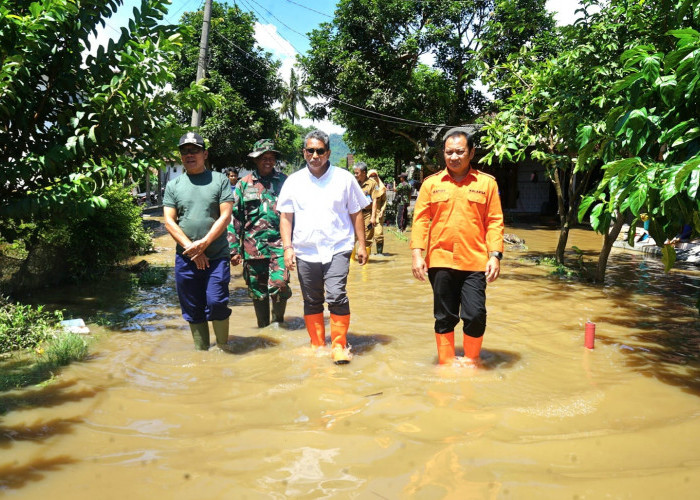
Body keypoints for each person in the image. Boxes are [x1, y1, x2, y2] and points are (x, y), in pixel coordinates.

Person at [410, 127, 504, 366]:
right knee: (444, 316)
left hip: (475, 262)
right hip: (440, 261)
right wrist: (417, 254)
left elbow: (494, 221)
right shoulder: (431, 184)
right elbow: (420, 219)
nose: (454, 157)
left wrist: (495, 255)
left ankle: (472, 361)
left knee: (475, 315)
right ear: (443, 153)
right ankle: (446, 363)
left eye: (460, 152)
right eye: (449, 152)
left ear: (471, 153)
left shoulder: (487, 184)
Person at [277, 130, 369, 364]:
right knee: (312, 299)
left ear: (328, 152)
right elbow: (286, 216)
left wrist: (362, 245)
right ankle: (317, 344)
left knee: (337, 295)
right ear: (304, 152)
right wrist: (288, 248)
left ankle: (339, 345)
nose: (315, 155)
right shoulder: (293, 181)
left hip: (338, 246)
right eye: (310, 150)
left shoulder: (344, 178)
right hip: (306, 249)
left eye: (320, 151)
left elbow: (356, 211)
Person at [163, 132, 234, 350]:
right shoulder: (174, 186)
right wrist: (193, 250)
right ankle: (201, 354)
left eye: (194, 150)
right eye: (185, 151)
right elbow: (168, 221)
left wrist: (202, 244)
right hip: (186, 258)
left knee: (216, 302)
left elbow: (225, 216)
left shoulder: (220, 180)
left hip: (217, 256)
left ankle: (223, 348)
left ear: (205, 154)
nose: (189, 155)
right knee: (192, 308)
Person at [228, 139, 291, 328]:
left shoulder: (284, 182)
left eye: (271, 157)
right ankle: (263, 328)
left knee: (280, 284)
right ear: (255, 160)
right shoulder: (243, 185)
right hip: (252, 247)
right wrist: (233, 249)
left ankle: (278, 324)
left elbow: (294, 213)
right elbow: (235, 218)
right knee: (258, 291)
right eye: (263, 157)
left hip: (280, 245)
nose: (268, 161)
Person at [352, 162, 378, 260]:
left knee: (367, 237)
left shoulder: (373, 183)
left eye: (357, 173)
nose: (355, 175)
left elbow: (375, 200)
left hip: (368, 213)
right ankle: (352, 261)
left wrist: (373, 217)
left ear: (364, 172)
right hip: (355, 213)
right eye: (354, 173)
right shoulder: (353, 182)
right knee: (352, 237)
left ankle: (365, 267)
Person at [368, 169, 388, 255]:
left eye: (375, 176)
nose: (373, 178)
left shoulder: (381, 188)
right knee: (367, 234)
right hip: (367, 213)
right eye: (371, 176)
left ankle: (379, 254)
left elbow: (384, 201)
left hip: (378, 213)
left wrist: (382, 210)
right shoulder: (365, 187)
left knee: (379, 233)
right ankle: (367, 255)